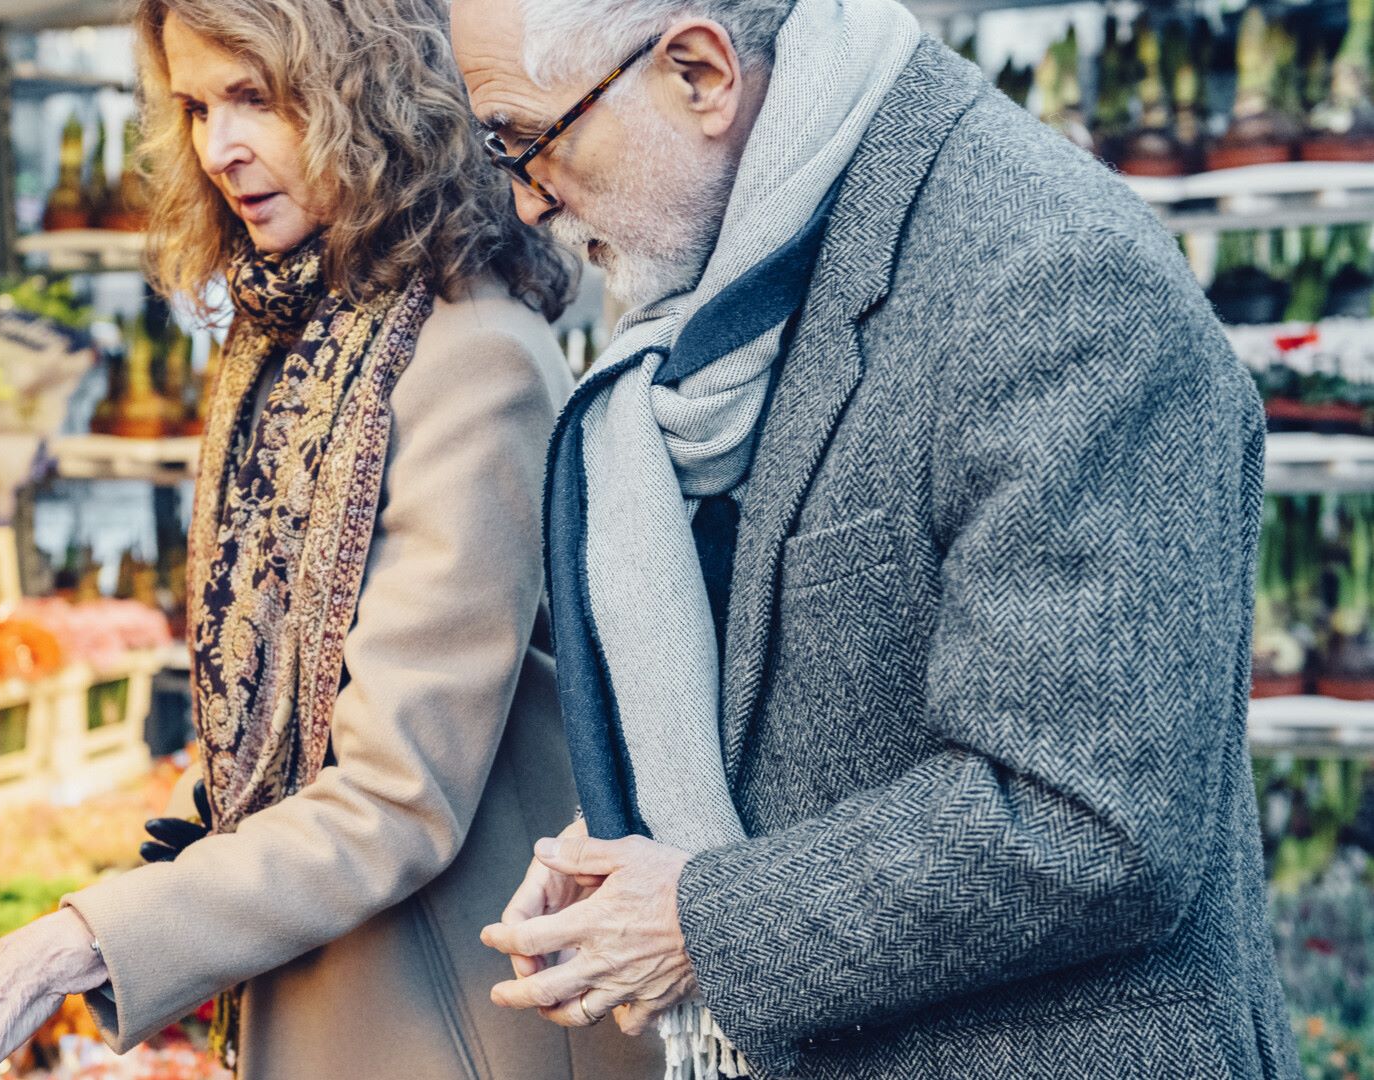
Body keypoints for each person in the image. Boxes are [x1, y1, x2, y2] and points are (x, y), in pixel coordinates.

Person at [0, 2, 661, 1079]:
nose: (219, 150)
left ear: (371, 94)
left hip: (439, 1014)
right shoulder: (289, 339)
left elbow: (396, 798)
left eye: (255, 98)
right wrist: (149, 866)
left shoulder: (473, 357)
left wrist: (72, 944)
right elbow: (265, 720)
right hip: (316, 975)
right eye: (195, 107)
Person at [452, 0, 1298, 1077]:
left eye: (527, 139)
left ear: (699, 73)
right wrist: (642, 845)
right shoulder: (765, 253)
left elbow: (1085, 817)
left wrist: (699, 918)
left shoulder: (1050, 276)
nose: (524, 198)